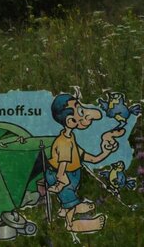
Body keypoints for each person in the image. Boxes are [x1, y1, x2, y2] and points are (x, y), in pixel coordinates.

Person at [45, 93, 125, 233]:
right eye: (80, 110)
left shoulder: (71, 138)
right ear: (70, 121)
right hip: (63, 176)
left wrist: (105, 152)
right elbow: (62, 164)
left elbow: (88, 158)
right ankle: (71, 224)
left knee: (68, 197)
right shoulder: (63, 142)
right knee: (69, 198)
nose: (86, 114)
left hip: (71, 174)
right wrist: (61, 180)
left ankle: (65, 208)